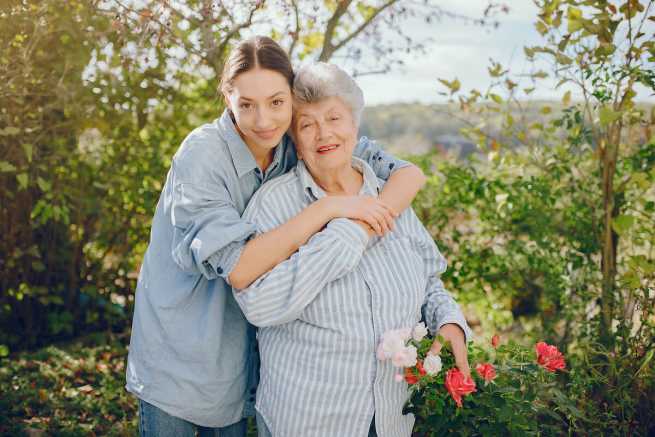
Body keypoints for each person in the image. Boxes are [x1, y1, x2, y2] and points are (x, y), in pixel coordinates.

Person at [125, 37, 427, 436]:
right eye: (246, 104)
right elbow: (241, 267)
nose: (263, 119)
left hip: (244, 362)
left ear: (290, 97)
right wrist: (330, 209)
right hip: (183, 356)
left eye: (276, 102)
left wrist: (364, 225)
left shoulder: (296, 138)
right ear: (226, 97)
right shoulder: (202, 155)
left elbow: (409, 175)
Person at [233, 62, 472, 437]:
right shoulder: (273, 207)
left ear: (355, 126)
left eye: (334, 118)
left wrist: (450, 321)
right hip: (310, 420)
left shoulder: (387, 193)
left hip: (393, 417)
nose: (323, 133)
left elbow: (429, 279)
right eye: (307, 124)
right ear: (293, 137)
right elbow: (259, 306)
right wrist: (348, 233)